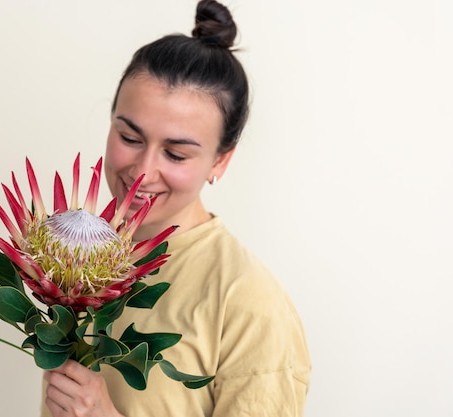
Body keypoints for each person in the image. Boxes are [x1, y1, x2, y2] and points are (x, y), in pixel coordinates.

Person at [41, 1, 311, 416]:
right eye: (130, 137)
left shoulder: (248, 303)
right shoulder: (69, 251)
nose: (143, 171)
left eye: (176, 154)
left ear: (221, 160)